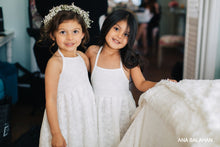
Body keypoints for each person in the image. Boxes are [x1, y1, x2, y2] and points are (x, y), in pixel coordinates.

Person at [86, 9, 159, 147]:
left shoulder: (129, 59)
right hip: (96, 110)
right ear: (107, 25)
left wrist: (161, 84)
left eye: (126, 34)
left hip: (121, 112)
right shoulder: (92, 52)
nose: (119, 36)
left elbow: (141, 84)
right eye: (116, 29)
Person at [39, 3, 98, 147]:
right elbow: (51, 100)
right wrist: (56, 133)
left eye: (75, 31)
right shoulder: (55, 63)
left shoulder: (83, 57)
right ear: (53, 35)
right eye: (62, 32)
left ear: (83, 34)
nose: (70, 37)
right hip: (64, 118)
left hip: (83, 115)